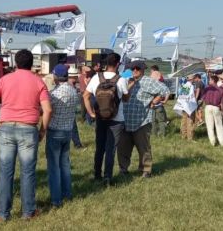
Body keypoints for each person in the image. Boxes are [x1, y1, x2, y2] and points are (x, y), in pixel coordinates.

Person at [0, 49, 52, 221]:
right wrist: (42, 130)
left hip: (6, 127)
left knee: (5, 171)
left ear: (16, 63)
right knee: (28, 171)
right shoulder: (38, 82)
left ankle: (2, 213)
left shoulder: (5, 79)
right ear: (32, 64)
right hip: (28, 128)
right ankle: (28, 212)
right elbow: (48, 109)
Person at [83, 53, 129, 185]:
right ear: (118, 64)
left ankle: (97, 174)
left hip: (100, 118)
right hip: (116, 118)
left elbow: (85, 96)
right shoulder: (121, 80)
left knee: (100, 147)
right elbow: (126, 99)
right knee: (111, 149)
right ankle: (107, 177)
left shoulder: (96, 77)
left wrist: (91, 113)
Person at [118, 61, 169, 178]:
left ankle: (146, 170)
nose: (134, 70)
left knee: (143, 148)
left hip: (142, 121)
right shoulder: (125, 80)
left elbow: (165, 90)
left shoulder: (148, 81)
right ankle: (123, 169)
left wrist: (156, 100)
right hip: (125, 120)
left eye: (137, 68)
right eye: (132, 68)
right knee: (123, 148)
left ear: (143, 70)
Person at [45, 64, 80, 208]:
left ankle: (56, 199)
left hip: (55, 131)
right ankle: (67, 193)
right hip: (67, 130)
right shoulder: (73, 92)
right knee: (65, 164)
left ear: (55, 76)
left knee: (54, 167)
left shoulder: (54, 94)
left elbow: (47, 110)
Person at [200, 74, 223, 147]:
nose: (209, 81)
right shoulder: (221, 89)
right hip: (216, 107)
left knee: (210, 126)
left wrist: (200, 107)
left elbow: (202, 99)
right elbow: (221, 102)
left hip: (208, 107)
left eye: (210, 80)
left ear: (213, 80)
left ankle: (213, 142)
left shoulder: (206, 89)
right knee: (219, 125)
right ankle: (222, 142)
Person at [174, 74, 199, 141]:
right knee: (190, 121)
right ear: (192, 79)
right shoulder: (191, 86)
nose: (194, 80)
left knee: (184, 121)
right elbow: (190, 98)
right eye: (194, 78)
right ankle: (190, 138)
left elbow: (183, 97)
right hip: (189, 106)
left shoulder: (185, 85)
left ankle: (183, 135)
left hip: (183, 106)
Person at [149, 65, 169, 137]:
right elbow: (168, 92)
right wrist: (165, 101)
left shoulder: (151, 85)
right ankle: (162, 135)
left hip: (152, 104)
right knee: (161, 120)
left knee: (153, 121)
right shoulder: (162, 84)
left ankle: (154, 134)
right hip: (159, 104)